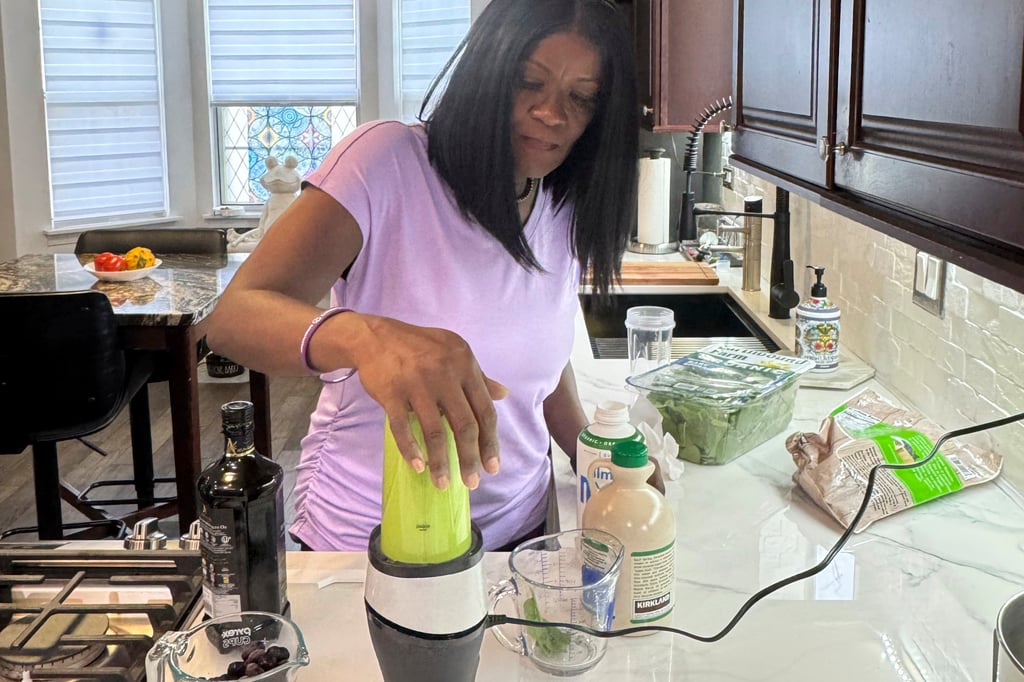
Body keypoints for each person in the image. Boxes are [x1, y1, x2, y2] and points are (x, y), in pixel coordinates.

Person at [205, 0, 640, 552]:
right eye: (528, 82)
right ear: (485, 75)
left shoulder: (565, 202)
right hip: (367, 542)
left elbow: (541, 367)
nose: (552, 114)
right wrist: (366, 338)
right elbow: (233, 318)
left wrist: (597, 457)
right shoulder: (385, 163)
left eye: (582, 98)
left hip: (518, 539)